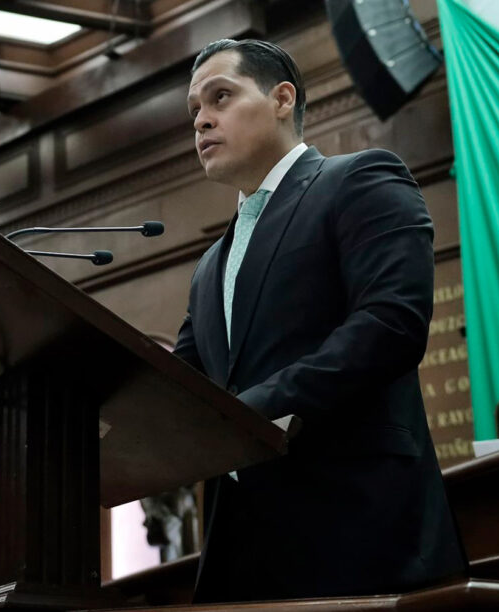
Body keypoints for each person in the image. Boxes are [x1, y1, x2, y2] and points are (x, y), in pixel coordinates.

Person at [173, 39, 466, 602]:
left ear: (282, 99)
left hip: (360, 535)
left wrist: (249, 412)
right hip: (244, 560)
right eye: (194, 110)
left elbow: (391, 324)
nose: (202, 120)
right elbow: (179, 388)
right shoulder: (210, 265)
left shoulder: (359, 178)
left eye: (220, 97)